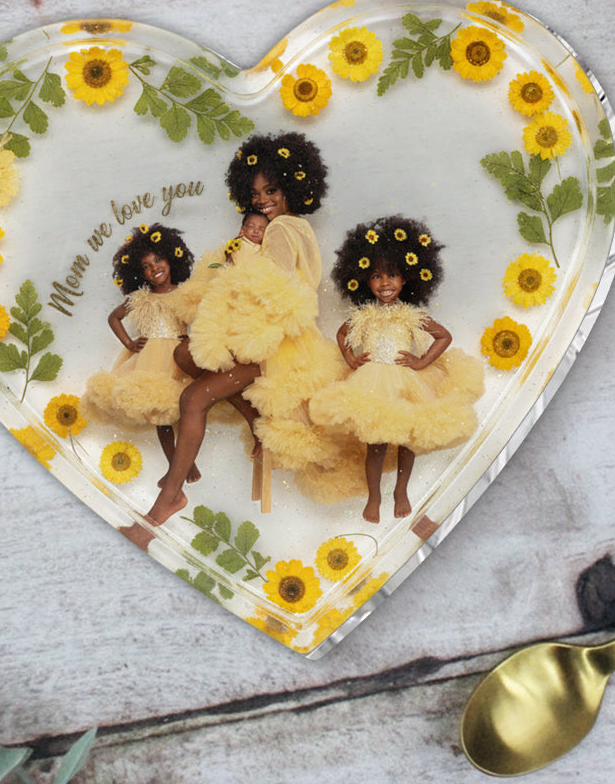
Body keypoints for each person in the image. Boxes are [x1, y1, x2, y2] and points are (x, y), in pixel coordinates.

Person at [146, 131, 355, 525]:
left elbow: (270, 292)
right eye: (255, 194)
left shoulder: (279, 229)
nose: (262, 200)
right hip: (286, 336)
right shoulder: (300, 227)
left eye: (271, 189)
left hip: (274, 342)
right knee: (183, 353)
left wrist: (233, 279)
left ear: (293, 185)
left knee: (193, 400)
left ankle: (168, 500)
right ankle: (253, 421)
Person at [309, 215, 484, 523]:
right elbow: (341, 334)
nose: (385, 283)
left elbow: (443, 336)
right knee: (375, 443)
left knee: (407, 439)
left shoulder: (410, 313)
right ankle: (374, 495)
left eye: (392, 275)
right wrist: (351, 360)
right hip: (372, 381)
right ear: (365, 280)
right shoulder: (365, 314)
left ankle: (400, 490)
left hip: (405, 380)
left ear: (406, 279)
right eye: (377, 277)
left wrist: (421, 361)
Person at [81, 223, 202, 482]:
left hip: (178, 358)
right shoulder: (141, 298)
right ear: (140, 274)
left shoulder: (184, 294)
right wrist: (128, 343)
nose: (154, 268)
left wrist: (192, 339)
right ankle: (175, 468)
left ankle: (185, 465)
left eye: (158, 260)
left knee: (182, 409)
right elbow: (114, 318)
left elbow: (202, 318)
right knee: (160, 414)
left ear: (171, 258)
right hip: (150, 360)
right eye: (146, 266)